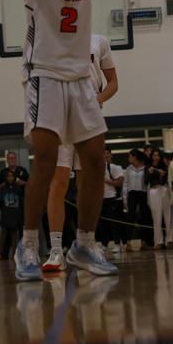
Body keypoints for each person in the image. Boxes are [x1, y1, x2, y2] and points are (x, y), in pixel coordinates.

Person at [14, 0, 127, 281]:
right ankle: (29, 244)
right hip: (44, 75)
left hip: (80, 79)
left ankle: (84, 244)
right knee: (46, 163)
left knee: (94, 160)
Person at [42, 33, 118, 272]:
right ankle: (56, 251)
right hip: (61, 116)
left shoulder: (99, 41)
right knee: (59, 183)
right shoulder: (50, 39)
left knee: (87, 186)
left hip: (89, 117)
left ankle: (86, 244)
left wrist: (99, 98)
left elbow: (113, 82)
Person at [146, 147, 173, 249]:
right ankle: (158, 241)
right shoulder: (148, 167)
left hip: (164, 189)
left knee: (168, 215)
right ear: (152, 156)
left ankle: (170, 240)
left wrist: (161, 173)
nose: (156, 157)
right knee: (156, 216)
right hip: (153, 191)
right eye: (154, 155)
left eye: (158, 155)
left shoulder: (165, 166)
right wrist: (151, 172)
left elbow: (168, 178)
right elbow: (146, 180)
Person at [97, 148, 124, 249]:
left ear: (111, 155)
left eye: (107, 153)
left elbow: (120, 182)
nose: (106, 155)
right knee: (102, 223)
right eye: (104, 153)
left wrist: (107, 181)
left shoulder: (115, 167)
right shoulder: (97, 168)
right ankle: (104, 244)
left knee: (114, 223)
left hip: (111, 197)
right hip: (100, 198)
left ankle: (117, 244)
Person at [122, 148, 148, 247]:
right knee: (130, 218)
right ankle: (128, 242)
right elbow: (125, 184)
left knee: (143, 217)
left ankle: (143, 242)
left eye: (130, 156)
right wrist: (125, 198)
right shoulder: (128, 169)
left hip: (143, 194)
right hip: (132, 194)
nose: (128, 158)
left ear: (135, 157)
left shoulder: (145, 168)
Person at [0, 169, 23, 260]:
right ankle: (0, 253)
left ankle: (14, 254)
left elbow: (21, 202)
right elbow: (0, 202)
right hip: (6, 213)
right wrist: (4, 211)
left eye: (12, 176)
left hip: (15, 214)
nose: (10, 178)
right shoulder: (3, 188)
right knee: (3, 233)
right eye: (8, 176)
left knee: (14, 234)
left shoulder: (18, 188)